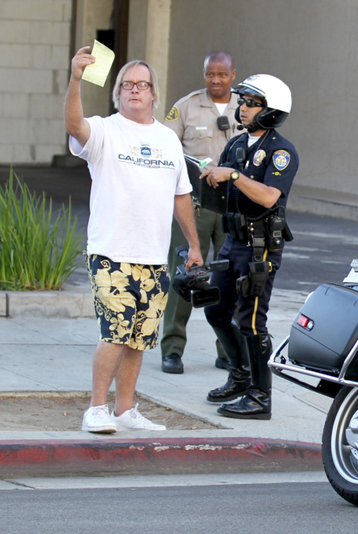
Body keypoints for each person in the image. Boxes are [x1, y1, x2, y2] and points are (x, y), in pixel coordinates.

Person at [65, 47, 203, 433]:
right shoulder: (105, 130)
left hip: (154, 256)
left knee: (140, 338)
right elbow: (74, 126)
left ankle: (124, 410)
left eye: (142, 85)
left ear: (154, 93)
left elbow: (181, 195)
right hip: (112, 252)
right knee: (115, 330)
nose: (134, 91)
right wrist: (76, 79)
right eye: (126, 85)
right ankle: (96, 408)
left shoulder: (167, 139)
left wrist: (193, 245)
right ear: (118, 93)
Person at [201, 74, 298, 419]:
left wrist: (234, 176)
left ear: (271, 111)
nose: (242, 108)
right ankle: (240, 375)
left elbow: (270, 196)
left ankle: (260, 396)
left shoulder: (281, 151)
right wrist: (209, 175)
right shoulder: (237, 145)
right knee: (215, 309)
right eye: (242, 102)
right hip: (233, 241)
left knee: (252, 321)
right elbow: (224, 188)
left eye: (251, 103)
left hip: (260, 248)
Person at [160, 51, 238, 374]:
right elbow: (166, 144)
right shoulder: (187, 106)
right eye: (210, 74)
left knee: (232, 275)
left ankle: (228, 349)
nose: (215, 80)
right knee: (184, 270)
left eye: (221, 74)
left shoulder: (246, 106)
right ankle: (172, 349)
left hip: (233, 204)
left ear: (233, 75)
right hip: (196, 202)